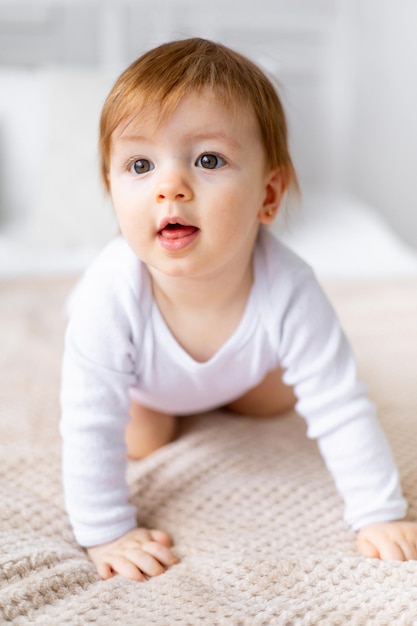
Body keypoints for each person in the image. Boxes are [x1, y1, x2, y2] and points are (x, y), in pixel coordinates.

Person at [60, 37, 417, 583]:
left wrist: (379, 514)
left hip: (245, 373)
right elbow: (88, 423)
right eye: (139, 164)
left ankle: (231, 391)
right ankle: (171, 409)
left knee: (277, 401)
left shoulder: (290, 286)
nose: (169, 187)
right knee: (140, 439)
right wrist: (106, 530)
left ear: (268, 195)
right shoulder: (107, 295)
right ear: (111, 188)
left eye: (208, 160)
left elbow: (341, 404)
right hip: (147, 385)